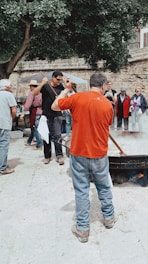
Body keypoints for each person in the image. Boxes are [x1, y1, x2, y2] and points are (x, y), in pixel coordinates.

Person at [51, 72, 115, 243]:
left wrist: (66, 90)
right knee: (104, 187)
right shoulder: (108, 105)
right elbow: (107, 124)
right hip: (99, 154)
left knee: (81, 191)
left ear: (90, 84)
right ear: (102, 86)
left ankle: (83, 229)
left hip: (79, 153)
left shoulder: (77, 98)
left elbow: (54, 106)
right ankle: (109, 219)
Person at [33, 71, 65, 165]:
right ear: (53, 78)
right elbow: (34, 93)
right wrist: (42, 83)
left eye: (60, 79)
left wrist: (60, 97)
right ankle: (47, 156)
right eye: (58, 79)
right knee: (46, 135)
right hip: (46, 114)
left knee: (58, 135)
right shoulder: (46, 86)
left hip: (57, 114)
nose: (59, 81)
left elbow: (65, 98)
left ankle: (59, 156)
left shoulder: (61, 87)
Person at [0, 79, 17, 175]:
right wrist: (12, 118)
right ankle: (3, 167)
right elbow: (14, 110)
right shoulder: (9, 95)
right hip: (4, 123)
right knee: (3, 145)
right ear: (7, 87)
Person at [20, 80, 42, 149]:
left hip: (35, 112)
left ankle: (39, 144)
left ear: (32, 86)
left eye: (30, 86)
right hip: (41, 111)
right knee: (34, 127)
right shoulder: (41, 93)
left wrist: (23, 113)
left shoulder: (32, 93)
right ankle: (29, 141)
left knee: (35, 127)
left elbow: (28, 104)